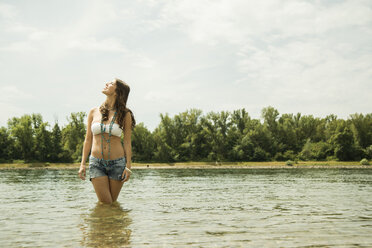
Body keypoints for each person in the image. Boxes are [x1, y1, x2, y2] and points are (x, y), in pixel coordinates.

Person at [78, 78, 136, 204]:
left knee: (111, 204)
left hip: (117, 164)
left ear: (117, 91)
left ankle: (111, 223)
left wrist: (128, 166)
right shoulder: (93, 112)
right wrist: (83, 163)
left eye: (111, 83)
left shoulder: (125, 114)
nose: (106, 84)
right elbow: (88, 139)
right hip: (96, 163)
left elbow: (127, 142)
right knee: (106, 203)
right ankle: (113, 223)